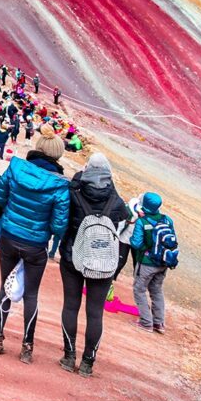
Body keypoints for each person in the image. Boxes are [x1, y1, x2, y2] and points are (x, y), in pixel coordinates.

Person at [0, 125, 69, 363]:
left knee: (5, 286)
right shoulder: (61, 185)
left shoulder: (15, 168)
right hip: (36, 244)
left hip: (10, 237)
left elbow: (0, 197)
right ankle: (27, 347)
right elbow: (59, 225)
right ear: (57, 155)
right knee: (31, 294)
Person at [58, 153, 130, 375]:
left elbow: (63, 219)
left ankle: (69, 357)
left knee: (71, 306)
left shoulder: (73, 193)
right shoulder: (116, 202)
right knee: (95, 312)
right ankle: (88, 362)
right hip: (103, 261)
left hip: (73, 257)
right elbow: (124, 219)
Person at [130, 192, 175, 334]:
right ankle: (159, 323)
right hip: (163, 262)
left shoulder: (142, 222)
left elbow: (136, 244)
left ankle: (146, 322)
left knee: (139, 289)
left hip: (147, 262)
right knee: (156, 290)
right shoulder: (167, 219)